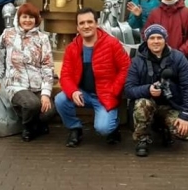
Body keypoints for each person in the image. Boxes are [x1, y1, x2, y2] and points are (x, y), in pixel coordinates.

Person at [55, 8, 131, 147]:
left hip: (105, 95)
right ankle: (75, 128)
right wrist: (73, 91)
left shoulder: (112, 44)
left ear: (97, 23)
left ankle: (113, 127)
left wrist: (114, 90)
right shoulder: (72, 48)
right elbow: (65, 75)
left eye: (90, 22)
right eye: (82, 23)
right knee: (60, 99)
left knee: (103, 129)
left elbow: (126, 68)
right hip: (83, 94)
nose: (86, 26)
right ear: (77, 27)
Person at [0, 2, 55, 142]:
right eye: (24, 17)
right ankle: (28, 127)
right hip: (16, 84)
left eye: (31, 17)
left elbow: (47, 66)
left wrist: (46, 93)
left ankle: (39, 124)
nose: (27, 20)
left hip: (37, 84)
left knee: (50, 110)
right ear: (19, 18)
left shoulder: (42, 38)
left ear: (36, 19)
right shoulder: (8, 35)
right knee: (32, 104)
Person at [124, 24, 188, 157]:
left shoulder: (178, 58)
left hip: (171, 104)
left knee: (184, 133)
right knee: (142, 104)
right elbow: (128, 89)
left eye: (159, 38)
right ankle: (142, 138)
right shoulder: (137, 61)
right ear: (146, 40)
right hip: (147, 104)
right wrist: (147, 89)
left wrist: (186, 116)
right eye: (152, 38)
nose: (156, 41)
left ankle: (164, 128)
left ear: (165, 40)